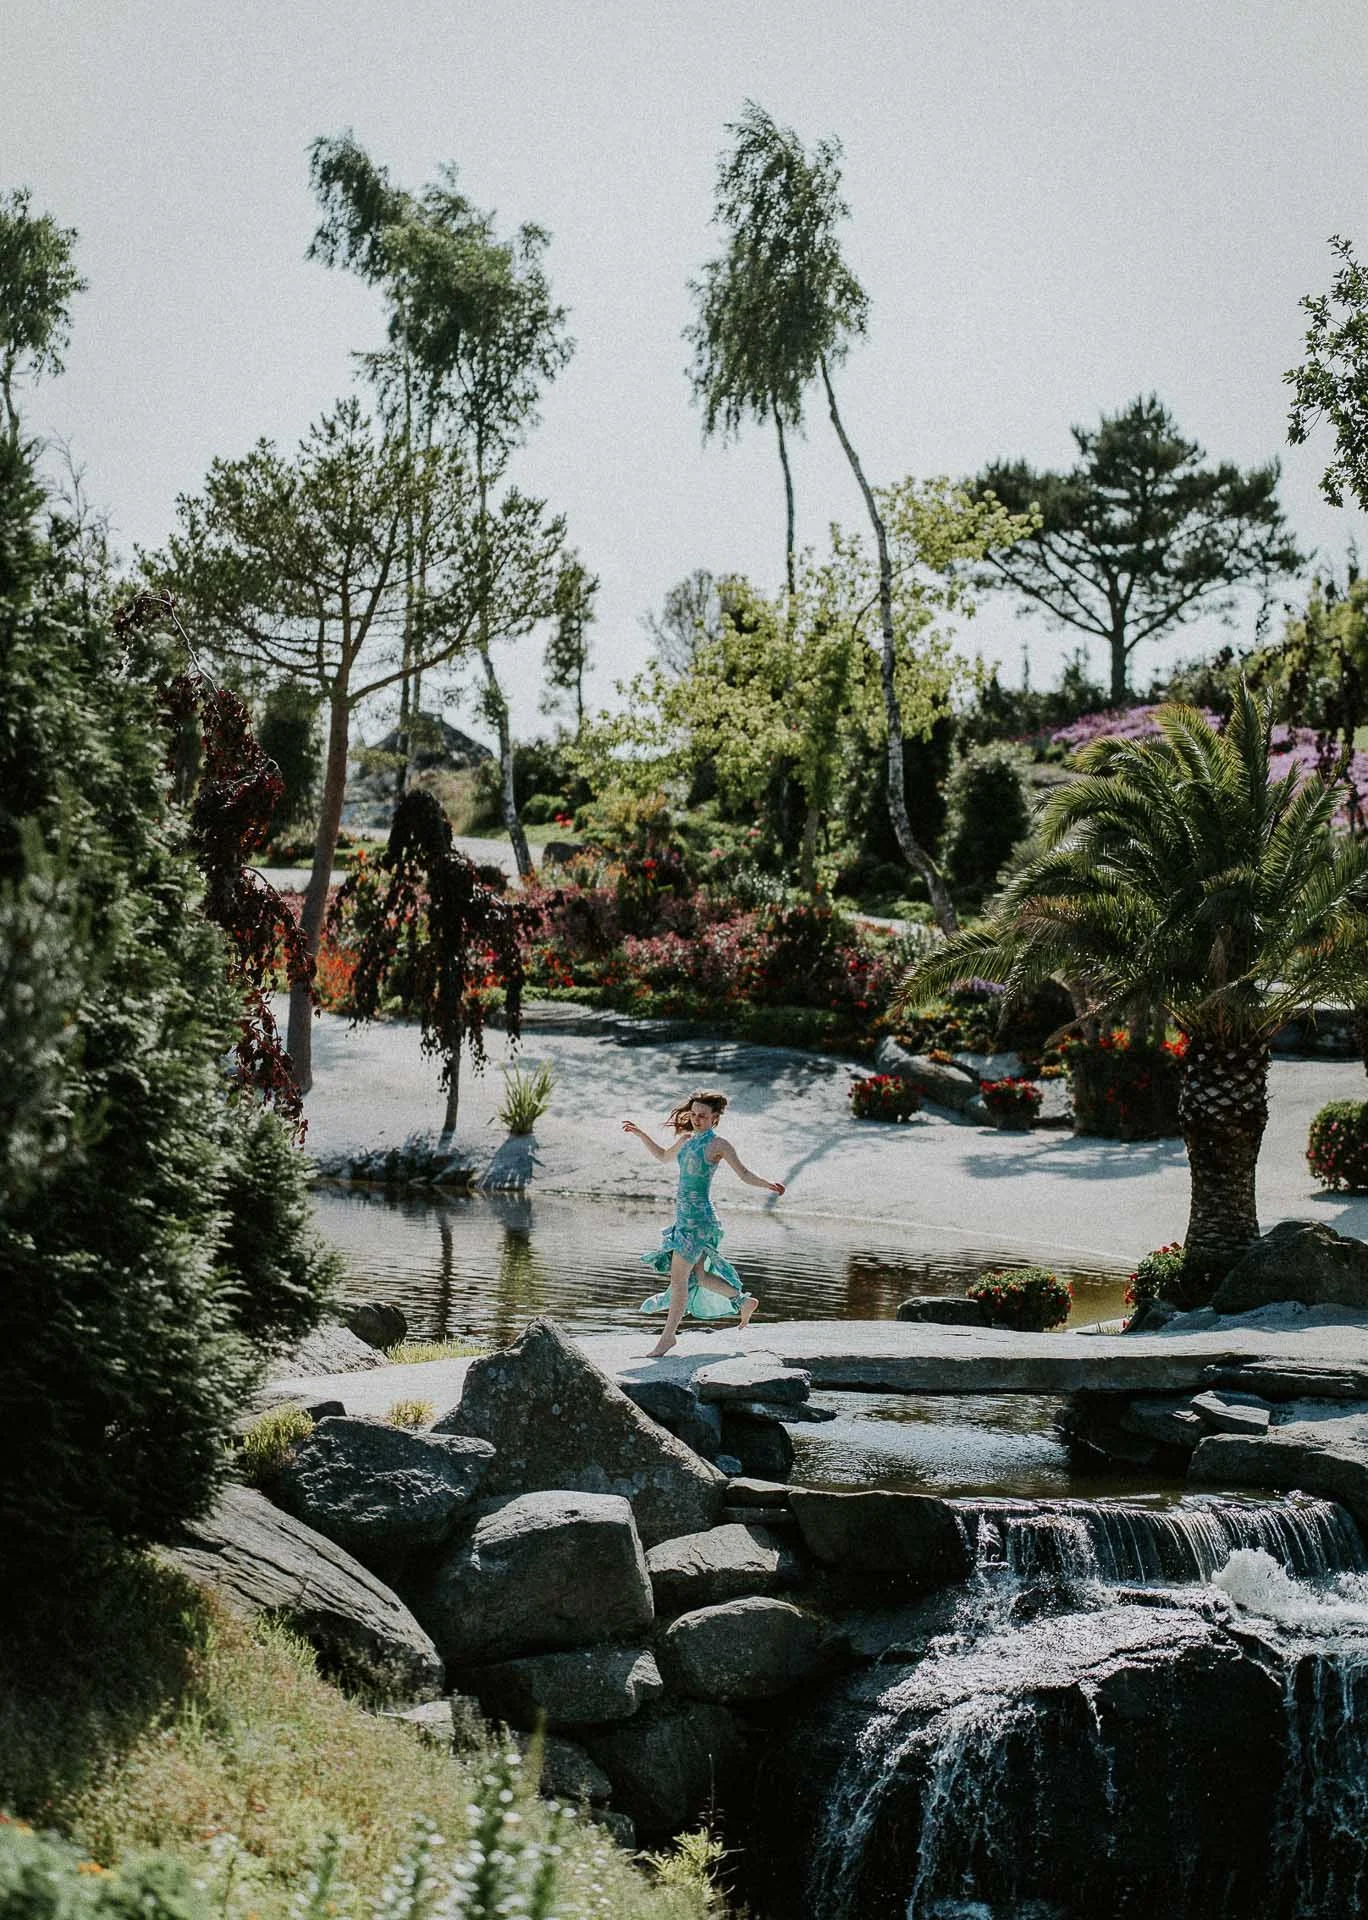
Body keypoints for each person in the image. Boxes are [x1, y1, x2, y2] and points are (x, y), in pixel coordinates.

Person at [622, 1089, 785, 1358]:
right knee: (698, 1277)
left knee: (679, 1280)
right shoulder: (686, 1140)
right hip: (684, 1218)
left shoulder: (718, 1145)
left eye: (703, 1116)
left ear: (715, 1118)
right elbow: (663, 1156)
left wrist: (767, 1184)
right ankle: (743, 1301)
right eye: (694, 1114)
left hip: (698, 1221)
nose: (697, 1119)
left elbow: (743, 1173)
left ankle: (668, 1338)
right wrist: (641, 1135)